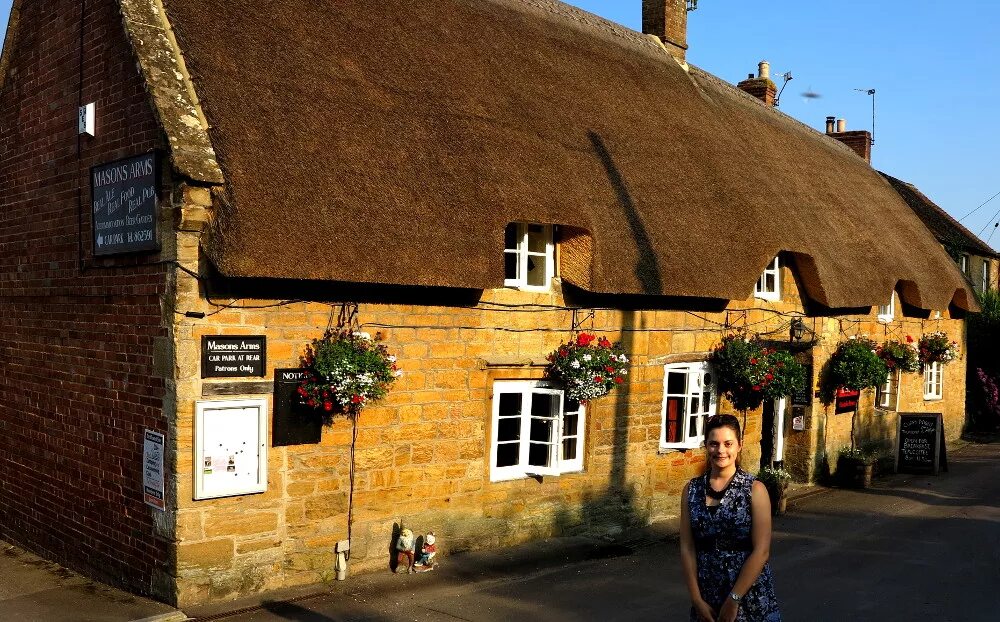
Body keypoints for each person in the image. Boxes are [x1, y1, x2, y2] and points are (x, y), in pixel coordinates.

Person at [680, 414, 781, 622]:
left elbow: (761, 551)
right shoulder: (691, 490)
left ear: (739, 446)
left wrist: (734, 599)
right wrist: (696, 599)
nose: (721, 450)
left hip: (748, 594)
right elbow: (687, 548)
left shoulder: (755, 489)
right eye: (714, 444)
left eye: (728, 443)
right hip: (707, 594)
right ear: (706, 446)